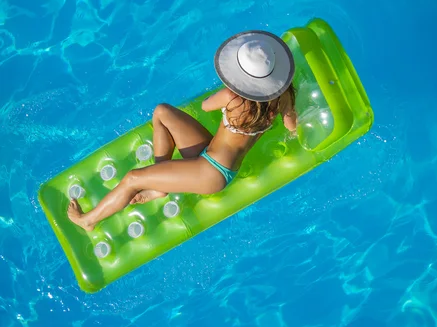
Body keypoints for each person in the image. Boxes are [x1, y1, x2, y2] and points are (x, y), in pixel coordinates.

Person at [68, 30, 297, 232]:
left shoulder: (232, 97)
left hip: (211, 175)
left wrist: (228, 94)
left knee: (132, 179)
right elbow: (291, 125)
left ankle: (89, 221)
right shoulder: (283, 97)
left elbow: (207, 105)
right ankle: (160, 187)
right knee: (162, 112)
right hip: (211, 155)